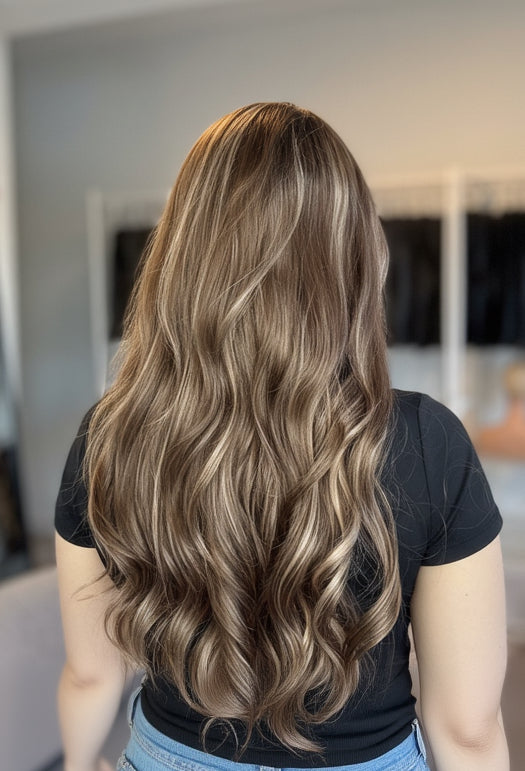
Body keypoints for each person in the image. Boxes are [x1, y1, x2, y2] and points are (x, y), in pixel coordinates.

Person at [55, 102, 508, 771]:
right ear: (353, 253)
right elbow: (465, 727)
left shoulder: (110, 435)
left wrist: (76, 761)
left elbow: (91, 674)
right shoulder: (426, 442)